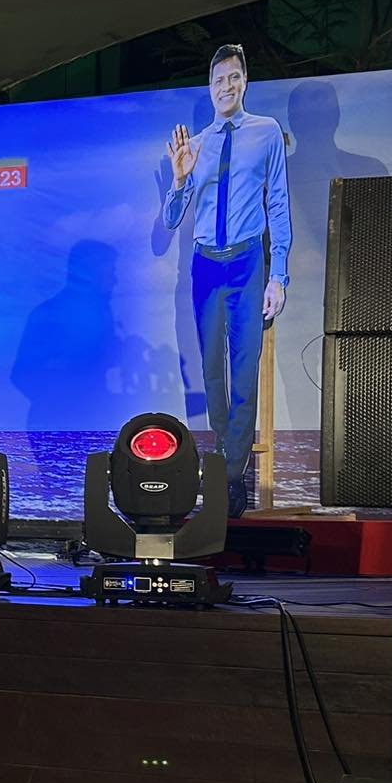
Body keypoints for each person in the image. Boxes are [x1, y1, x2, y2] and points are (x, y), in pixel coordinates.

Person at [162, 44, 293, 518]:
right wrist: (180, 179)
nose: (226, 87)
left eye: (234, 77)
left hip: (246, 262)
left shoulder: (266, 132)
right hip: (205, 264)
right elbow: (171, 219)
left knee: (243, 369)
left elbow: (278, 205)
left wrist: (278, 275)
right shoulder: (196, 145)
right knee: (212, 371)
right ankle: (226, 456)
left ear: (245, 82)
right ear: (210, 87)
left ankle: (231, 475)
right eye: (218, 80)